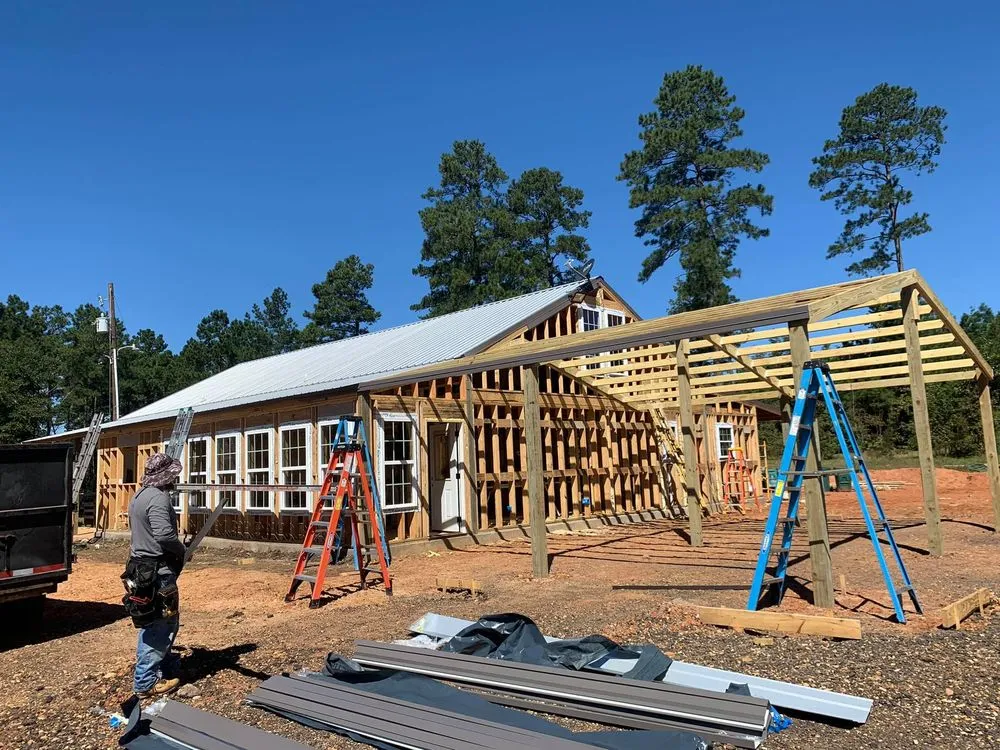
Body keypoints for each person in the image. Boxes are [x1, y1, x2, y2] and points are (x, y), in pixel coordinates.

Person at [124, 452, 186, 697]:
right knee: (162, 623)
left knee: (153, 621)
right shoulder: (159, 499)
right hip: (157, 572)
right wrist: (180, 549)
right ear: (166, 477)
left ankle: (162, 667)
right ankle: (146, 682)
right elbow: (163, 535)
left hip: (142, 569)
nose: (175, 480)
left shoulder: (138, 496)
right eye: (173, 475)